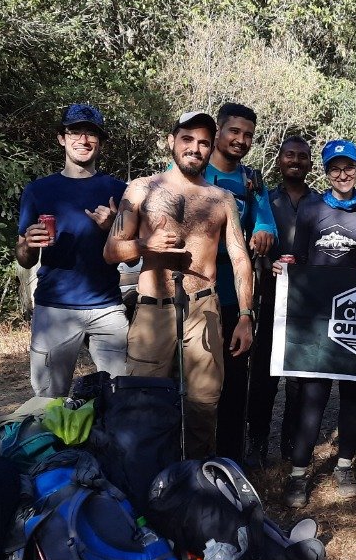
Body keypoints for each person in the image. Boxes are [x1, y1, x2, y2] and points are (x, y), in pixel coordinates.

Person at [104, 111, 255, 459]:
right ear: (171, 141)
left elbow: (240, 258)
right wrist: (145, 246)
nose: (195, 148)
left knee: (204, 403)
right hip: (152, 309)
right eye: (187, 139)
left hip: (204, 308)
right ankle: (146, 474)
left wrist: (246, 315)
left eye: (203, 142)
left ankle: (195, 475)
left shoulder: (221, 198)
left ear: (211, 148)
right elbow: (111, 251)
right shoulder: (142, 188)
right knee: (143, 402)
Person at [272, 140, 356, 507]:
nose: (343, 174)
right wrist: (285, 267)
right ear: (326, 172)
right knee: (313, 397)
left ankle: (344, 465)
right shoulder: (311, 209)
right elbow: (298, 257)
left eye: (349, 167)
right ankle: (299, 473)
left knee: (354, 395)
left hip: (354, 316)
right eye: (335, 168)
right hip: (317, 318)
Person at [16, 104, 127, 398]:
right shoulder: (38, 190)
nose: (84, 140)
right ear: (61, 139)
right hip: (54, 309)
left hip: (107, 308)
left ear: (100, 142)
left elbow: (132, 254)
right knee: (48, 402)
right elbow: (23, 258)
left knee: (121, 397)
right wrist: (28, 244)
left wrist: (114, 228)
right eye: (75, 132)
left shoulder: (119, 190)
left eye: (92, 133)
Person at [201, 102, 278, 461]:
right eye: (234, 131)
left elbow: (266, 222)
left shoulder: (252, 181)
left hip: (235, 295)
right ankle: (190, 461)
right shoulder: (192, 169)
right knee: (193, 383)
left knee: (234, 384)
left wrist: (262, 232)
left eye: (248, 135)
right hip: (192, 293)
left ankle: (230, 461)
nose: (241, 140)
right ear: (218, 131)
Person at [245, 136, 322, 467]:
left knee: (299, 378)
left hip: (308, 304)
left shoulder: (320, 202)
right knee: (264, 376)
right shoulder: (264, 199)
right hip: (269, 298)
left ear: (310, 164)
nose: (296, 161)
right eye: (290, 155)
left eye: (302, 157)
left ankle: (291, 442)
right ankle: (257, 442)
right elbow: (248, 241)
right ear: (279, 161)